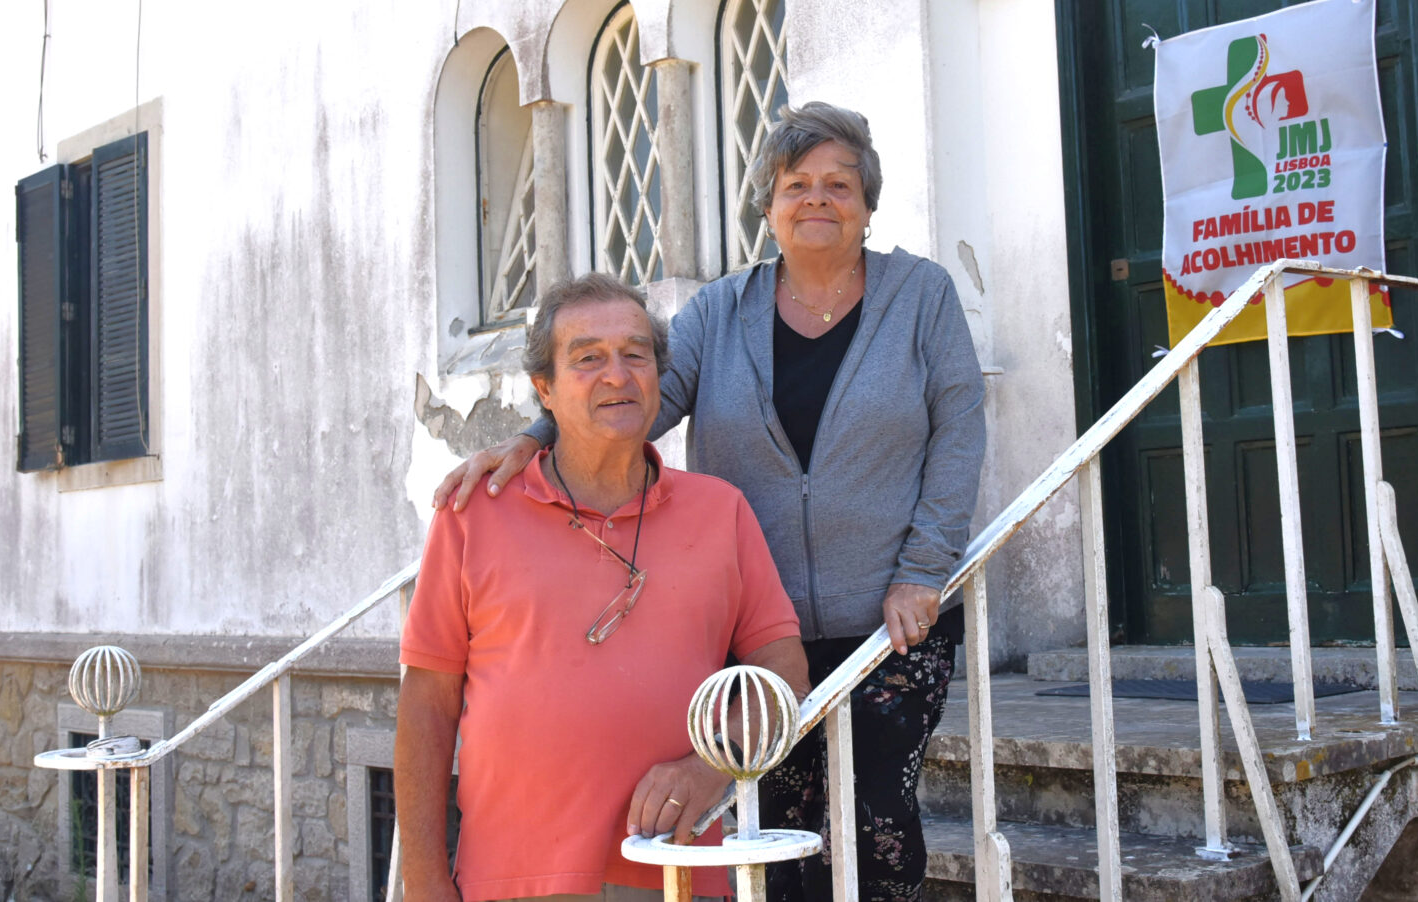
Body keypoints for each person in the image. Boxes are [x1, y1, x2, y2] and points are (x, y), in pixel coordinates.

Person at [434, 102, 986, 902]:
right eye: (797, 184)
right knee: (770, 820)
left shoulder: (922, 297)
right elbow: (637, 401)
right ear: (767, 207)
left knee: (876, 818)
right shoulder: (719, 312)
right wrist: (535, 438)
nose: (818, 199)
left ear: (868, 205)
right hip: (757, 633)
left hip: (888, 620)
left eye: (839, 184)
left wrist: (923, 571)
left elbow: (958, 433)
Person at [397, 272, 811, 902]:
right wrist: (425, 881)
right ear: (545, 389)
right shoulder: (472, 515)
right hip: (514, 879)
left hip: (677, 870)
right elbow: (427, 706)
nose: (617, 374)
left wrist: (716, 765)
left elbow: (783, 672)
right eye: (587, 358)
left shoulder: (720, 511)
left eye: (635, 354)